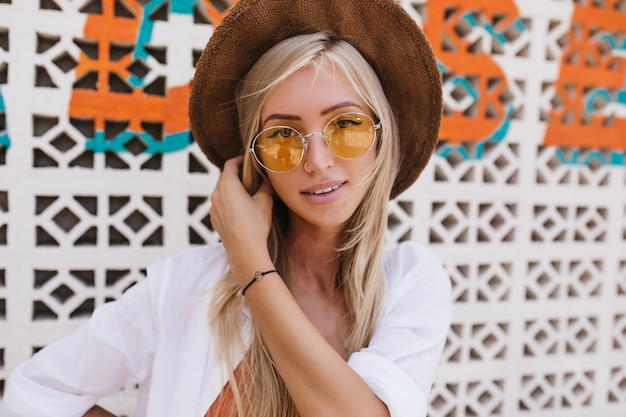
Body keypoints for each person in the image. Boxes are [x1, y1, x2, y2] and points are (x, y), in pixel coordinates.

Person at [2, 0, 451, 416]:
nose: (317, 161)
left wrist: (250, 262)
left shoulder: (409, 282)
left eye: (346, 126)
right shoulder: (185, 286)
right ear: (256, 159)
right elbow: (37, 391)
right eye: (281, 136)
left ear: (381, 135)